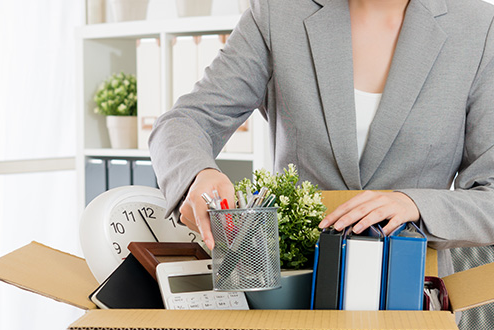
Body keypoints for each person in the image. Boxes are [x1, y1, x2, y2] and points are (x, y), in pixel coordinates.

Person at [149, 0, 494, 279]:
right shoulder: (276, 13)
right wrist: (198, 175)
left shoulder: (479, 26)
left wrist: (415, 205)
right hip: (296, 291)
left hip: (413, 291)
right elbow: (185, 121)